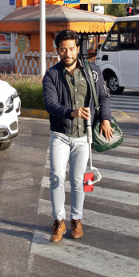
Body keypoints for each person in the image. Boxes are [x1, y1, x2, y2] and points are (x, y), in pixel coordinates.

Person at [42, 30, 113, 243]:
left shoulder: (93, 71)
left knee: (78, 181)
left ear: (77, 49)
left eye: (71, 48)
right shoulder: (52, 75)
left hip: (84, 136)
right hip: (60, 134)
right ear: (58, 51)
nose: (68, 53)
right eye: (63, 49)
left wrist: (106, 118)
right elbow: (50, 104)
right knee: (56, 177)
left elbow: (103, 96)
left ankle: (76, 219)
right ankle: (58, 221)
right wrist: (71, 112)